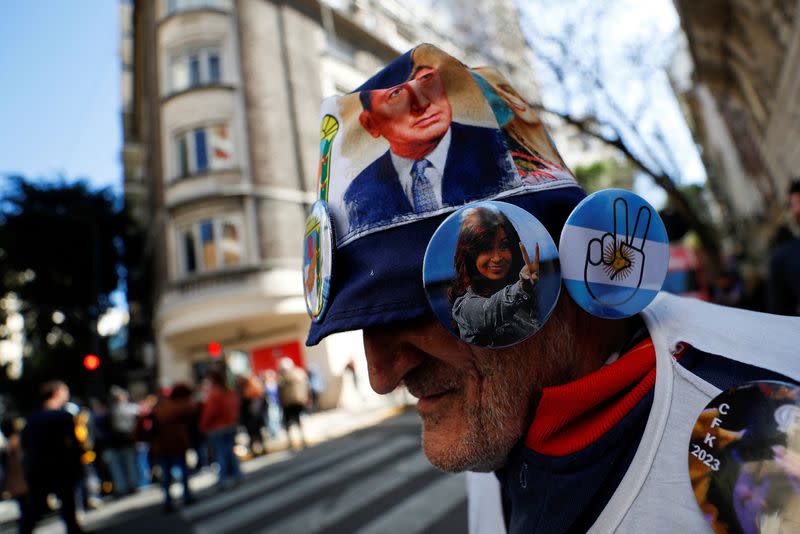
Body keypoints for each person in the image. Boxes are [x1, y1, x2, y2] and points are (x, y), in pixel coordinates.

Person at [303, 45, 800, 533]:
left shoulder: (777, 401)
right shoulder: (500, 431)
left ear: (555, 259)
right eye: (364, 323)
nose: (380, 376)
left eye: (408, 311)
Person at [343, 45, 517, 234]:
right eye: (395, 94)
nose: (422, 103)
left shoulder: (500, 150)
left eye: (427, 80)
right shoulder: (358, 194)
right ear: (370, 123)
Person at [448, 206, 540, 347]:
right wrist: (522, 286)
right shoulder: (463, 308)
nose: (497, 258)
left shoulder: (524, 299)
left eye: (504, 246)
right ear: (470, 255)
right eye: (486, 248)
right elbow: (488, 312)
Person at [19, 381, 84, 534]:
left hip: (38, 470)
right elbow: (73, 445)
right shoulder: (63, 417)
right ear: (56, 393)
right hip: (62, 468)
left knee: (34, 510)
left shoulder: (32, 420)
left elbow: (25, 444)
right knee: (68, 507)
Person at [151, 383, 196, 511]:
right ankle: (185, 496)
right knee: (182, 471)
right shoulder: (175, 406)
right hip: (176, 444)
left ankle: (168, 500)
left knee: (167, 474)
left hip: (162, 446)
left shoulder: (157, 408)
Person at [199, 365, 242, 490]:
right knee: (229, 451)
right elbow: (234, 408)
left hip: (218, 427)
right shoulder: (229, 391)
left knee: (221, 454)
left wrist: (203, 425)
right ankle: (237, 474)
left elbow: (209, 412)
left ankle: (223, 479)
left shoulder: (215, 394)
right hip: (229, 425)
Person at [767, 179, 800, 315]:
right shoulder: (783, 260)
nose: (795, 211)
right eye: (793, 205)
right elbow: (781, 315)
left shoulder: (784, 259)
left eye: (794, 204)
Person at [105, 386, 141, 496]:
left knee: (121, 467)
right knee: (129, 465)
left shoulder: (111, 411)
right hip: (126, 441)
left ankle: (125, 487)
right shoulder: (130, 409)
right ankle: (132, 485)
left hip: (120, 442)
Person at [1, 416, 29, 525]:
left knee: (25, 510)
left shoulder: (7, 446)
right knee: (28, 511)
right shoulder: (18, 443)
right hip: (24, 482)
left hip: (17, 485)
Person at [277, 358, 309, 450]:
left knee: (290, 423)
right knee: (298, 421)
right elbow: (306, 387)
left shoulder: (282, 377)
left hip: (289, 403)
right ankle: (301, 439)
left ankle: (293, 442)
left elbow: (280, 392)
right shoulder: (299, 373)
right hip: (298, 401)